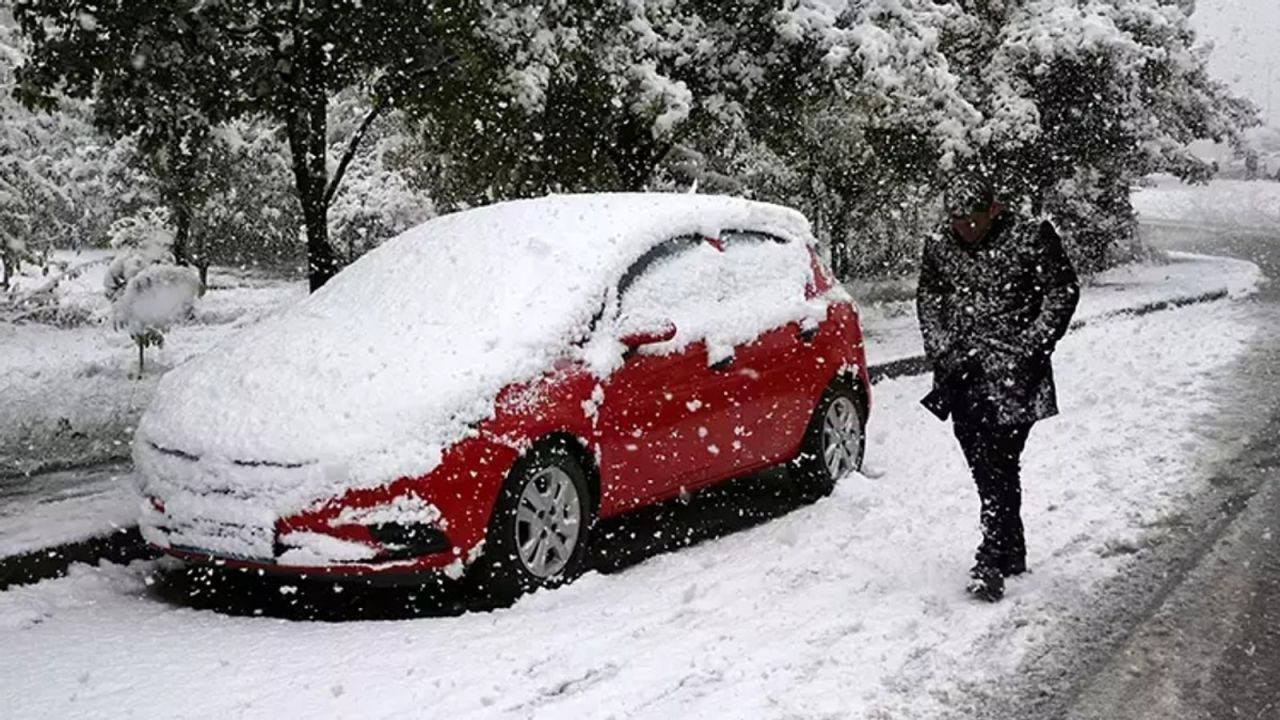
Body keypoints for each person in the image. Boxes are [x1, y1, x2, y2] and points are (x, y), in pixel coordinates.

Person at [916, 180, 1080, 602]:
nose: (965, 228)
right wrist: (940, 347)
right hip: (961, 373)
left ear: (994, 208)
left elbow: (1062, 291)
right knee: (981, 458)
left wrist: (1030, 346)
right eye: (957, 220)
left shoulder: (1031, 236)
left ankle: (991, 555)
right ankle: (1012, 547)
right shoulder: (939, 245)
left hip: (1014, 378)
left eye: (973, 219)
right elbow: (929, 297)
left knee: (999, 459)